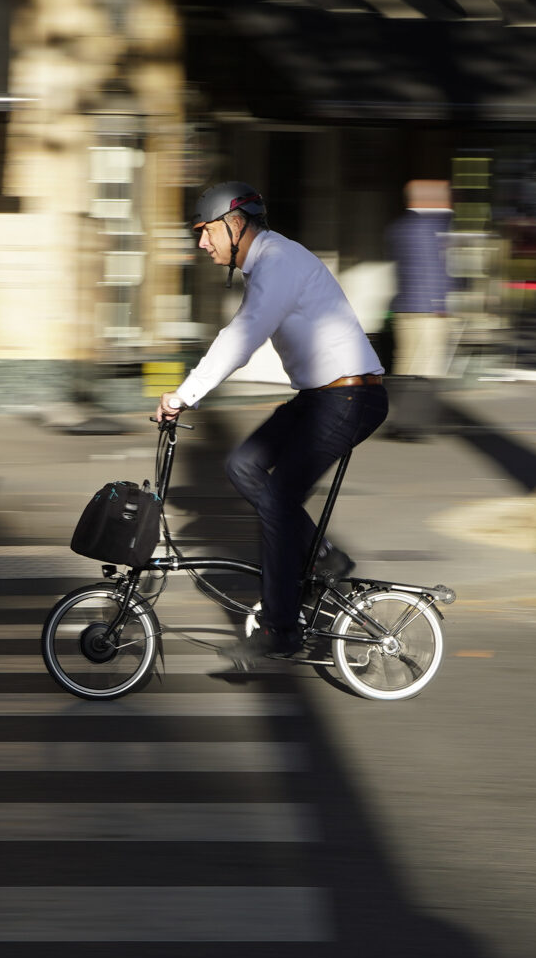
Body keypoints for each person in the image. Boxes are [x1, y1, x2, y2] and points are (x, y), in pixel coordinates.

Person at [156, 181, 388, 661]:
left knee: (279, 502)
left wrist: (184, 395)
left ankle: (280, 630)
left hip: (349, 398)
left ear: (234, 225)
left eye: (206, 231)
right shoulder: (268, 264)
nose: (201, 243)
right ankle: (323, 555)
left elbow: (242, 336)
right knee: (243, 465)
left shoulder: (278, 261)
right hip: (320, 397)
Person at [384, 179, 454, 440]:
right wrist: (439, 305)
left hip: (406, 307)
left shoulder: (400, 227)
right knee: (427, 367)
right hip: (428, 310)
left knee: (407, 365)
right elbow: (433, 271)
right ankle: (412, 424)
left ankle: (403, 420)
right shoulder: (431, 228)